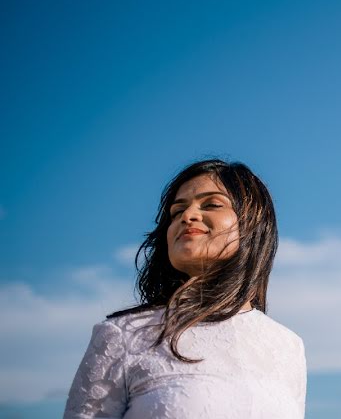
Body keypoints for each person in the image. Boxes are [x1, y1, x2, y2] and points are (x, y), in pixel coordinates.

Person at [64, 159, 306, 419]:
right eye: (176, 212)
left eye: (212, 204)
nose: (187, 216)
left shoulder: (289, 346)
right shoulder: (125, 334)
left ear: (254, 225)